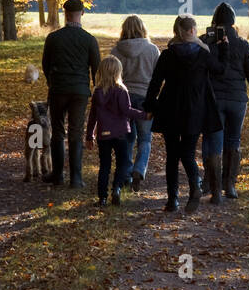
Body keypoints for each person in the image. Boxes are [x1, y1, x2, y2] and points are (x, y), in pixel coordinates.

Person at [143, 15, 225, 214]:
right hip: (195, 110)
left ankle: (172, 200)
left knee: (172, 155)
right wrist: (224, 48)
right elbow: (220, 70)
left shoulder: (168, 55)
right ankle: (194, 188)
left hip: (170, 108)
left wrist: (150, 106)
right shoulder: (203, 54)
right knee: (187, 152)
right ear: (192, 31)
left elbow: (155, 82)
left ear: (176, 32)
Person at [199, 2, 249, 202]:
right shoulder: (243, 44)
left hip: (213, 100)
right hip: (237, 100)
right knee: (233, 141)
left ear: (215, 21)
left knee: (212, 141)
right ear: (233, 22)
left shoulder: (206, 41)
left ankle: (210, 185)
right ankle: (230, 185)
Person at [40, 0, 100, 188]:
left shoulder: (53, 38)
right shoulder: (89, 40)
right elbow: (96, 69)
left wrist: (52, 81)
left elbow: (45, 64)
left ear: (64, 14)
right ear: (82, 13)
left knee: (57, 131)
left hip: (58, 88)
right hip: (80, 91)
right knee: (75, 132)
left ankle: (58, 174)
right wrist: (94, 88)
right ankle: (76, 177)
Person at [85, 55, 147, 206]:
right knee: (123, 163)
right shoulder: (121, 91)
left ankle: (102, 198)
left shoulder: (98, 92)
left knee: (104, 165)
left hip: (103, 135)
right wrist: (144, 115)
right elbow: (127, 111)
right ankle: (116, 189)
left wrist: (89, 135)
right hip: (120, 134)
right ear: (118, 72)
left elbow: (92, 116)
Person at [111, 15, 160, 192]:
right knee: (145, 138)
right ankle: (139, 169)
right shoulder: (152, 50)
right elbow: (158, 76)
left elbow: (111, 76)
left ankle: (125, 173)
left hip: (123, 98)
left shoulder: (116, 52)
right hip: (146, 97)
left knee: (126, 138)